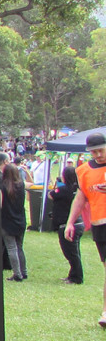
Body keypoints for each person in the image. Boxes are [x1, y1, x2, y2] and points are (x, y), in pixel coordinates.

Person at [65, 132, 106, 327]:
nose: (98, 155)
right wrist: (71, 222)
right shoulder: (83, 171)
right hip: (100, 224)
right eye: (93, 152)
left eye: (101, 150)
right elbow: (80, 197)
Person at [50, 165, 83, 284]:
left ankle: (77, 277)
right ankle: (73, 275)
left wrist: (58, 184)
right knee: (74, 252)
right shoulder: (77, 189)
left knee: (70, 253)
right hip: (79, 223)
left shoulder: (63, 189)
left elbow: (51, 195)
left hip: (66, 224)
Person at [1, 163, 28, 281]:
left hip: (7, 220)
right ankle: (24, 271)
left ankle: (17, 273)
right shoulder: (21, 185)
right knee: (19, 247)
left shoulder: (2, 187)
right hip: (20, 219)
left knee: (11, 248)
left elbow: (0, 205)